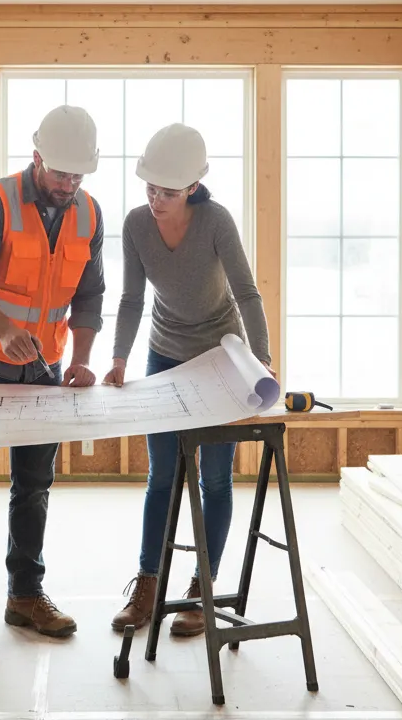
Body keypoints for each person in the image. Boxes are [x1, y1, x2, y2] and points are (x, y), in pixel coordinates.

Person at [0, 105, 105, 660]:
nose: (69, 184)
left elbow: (88, 295)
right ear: (36, 157)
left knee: (34, 486)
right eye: (61, 173)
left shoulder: (88, 213)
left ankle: (25, 595)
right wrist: (5, 330)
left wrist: (82, 358)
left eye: (78, 175)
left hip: (46, 370)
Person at [104, 123, 274, 638]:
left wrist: (261, 360)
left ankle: (203, 588)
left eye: (169, 192)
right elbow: (133, 299)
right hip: (164, 355)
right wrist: (118, 359)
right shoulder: (135, 225)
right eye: (150, 189)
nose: (157, 200)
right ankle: (148, 584)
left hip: (221, 356)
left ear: (193, 188)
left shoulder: (216, 221)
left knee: (216, 478)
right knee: (161, 475)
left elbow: (247, 293)